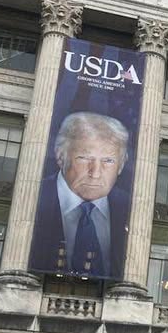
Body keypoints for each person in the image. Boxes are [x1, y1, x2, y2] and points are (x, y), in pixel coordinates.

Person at [29, 112, 131, 279]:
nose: (95, 173)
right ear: (60, 156)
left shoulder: (130, 207)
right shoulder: (33, 194)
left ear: (121, 164)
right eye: (84, 158)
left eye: (108, 161)